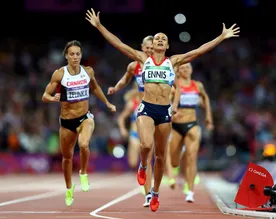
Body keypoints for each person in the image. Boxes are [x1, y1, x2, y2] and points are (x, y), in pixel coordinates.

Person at [86, 8, 239, 212]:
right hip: (147, 108)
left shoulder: (173, 62)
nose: (159, 40)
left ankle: (155, 193)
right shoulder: (142, 59)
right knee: (146, 145)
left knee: (160, 157)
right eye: (156, 38)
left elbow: (199, 50)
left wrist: (221, 37)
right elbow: (118, 44)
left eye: (162, 39)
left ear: (167, 45)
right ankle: (142, 166)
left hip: (164, 111)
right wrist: (99, 26)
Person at [42, 40, 116, 207]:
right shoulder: (59, 74)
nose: (75, 57)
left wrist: (108, 104)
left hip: (85, 118)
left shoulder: (88, 71)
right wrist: (52, 98)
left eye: (78, 54)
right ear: (66, 56)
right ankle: (69, 188)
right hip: (67, 121)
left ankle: (83, 172)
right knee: (67, 158)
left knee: (84, 144)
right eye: (72, 54)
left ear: (81, 55)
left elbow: (96, 89)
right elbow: (44, 95)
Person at [108, 36, 154, 207]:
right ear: (142, 47)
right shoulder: (135, 66)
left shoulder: (163, 64)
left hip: (160, 111)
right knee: (145, 156)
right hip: (143, 113)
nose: (149, 50)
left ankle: (152, 186)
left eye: (152, 47)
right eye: (146, 47)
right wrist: (116, 88)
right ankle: (148, 194)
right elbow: (124, 79)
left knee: (158, 156)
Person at [166, 62, 214, 203]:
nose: (186, 69)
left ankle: (190, 191)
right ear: (178, 71)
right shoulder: (174, 86)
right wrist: (171, 115)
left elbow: (206, 98)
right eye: (182, 68)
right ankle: (176, 168)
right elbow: (165, 104)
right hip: (176, 127)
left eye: (188, 67)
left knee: (192, 158)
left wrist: (208, 116)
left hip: (192, 125)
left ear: (192, 69)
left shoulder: (197, 85)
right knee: (174, 161)